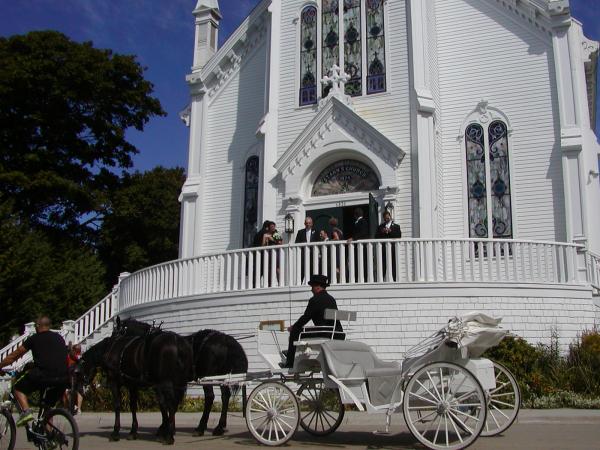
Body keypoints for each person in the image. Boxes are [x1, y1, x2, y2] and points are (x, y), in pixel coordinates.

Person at [0, 316, 68, 426]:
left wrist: (1, 365)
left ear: (37, 326)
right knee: (47, 408)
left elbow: (14, 356)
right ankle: (50, 439)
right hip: (63, 378)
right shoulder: (59, 338)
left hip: (45, 375)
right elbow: (53, 357)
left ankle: (26, 412)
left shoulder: (35, 338)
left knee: (17, 387)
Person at [282, 274, 344, 369]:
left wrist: (293, 327)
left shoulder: (315, 300)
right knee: (299, 330)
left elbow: (305, 318)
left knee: (296, 331)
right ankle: (294, 351)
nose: (311, 289)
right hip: (338, 334)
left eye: (312, 287)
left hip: (324, 334)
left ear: (318, 287)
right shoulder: (331, 299)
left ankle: (290, 362)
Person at [375, 210, 402, 280]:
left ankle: (395, 279)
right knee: (383, 264)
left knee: (393, 264)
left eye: (388, 217)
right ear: (383, 218)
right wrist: (382, 231)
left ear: (390, 216)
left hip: (393, 248)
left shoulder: (396, 226)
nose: (387, 219)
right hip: (384, 249)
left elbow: (399, 236)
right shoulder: (380, 227)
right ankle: (381, 280)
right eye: (385, 218)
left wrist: (391, 231)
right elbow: (376, 236)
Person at [294, 216, 319, 282]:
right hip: (303, 254)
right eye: (307, 223)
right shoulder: (300, 232)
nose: (308, 224)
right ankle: (300, 282)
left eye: (309, 223)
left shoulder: (316, 232)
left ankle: (312, 283)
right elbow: (296, 242)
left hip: (312, 254)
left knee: (312, 268)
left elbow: (319, 243)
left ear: (312, 223)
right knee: (302, 269)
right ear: (304, 224)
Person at [348, 207, 369, 280]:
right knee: (357, 262)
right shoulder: (358, 222)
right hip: (357, 247)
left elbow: (363, 232)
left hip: (362, 246)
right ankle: (357, 277)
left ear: (355, 215)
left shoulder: (363, 221)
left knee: (362, 262)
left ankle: (364, 277)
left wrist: (353, 238)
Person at [63, 343, 83, 414]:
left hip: (72, 374)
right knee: (79, 391)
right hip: (78, 373)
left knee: (68, 390)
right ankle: (78, 409)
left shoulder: (72, 355)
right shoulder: (80, 355)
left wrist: (70, 347)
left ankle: (70, 407)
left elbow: (72, 356)